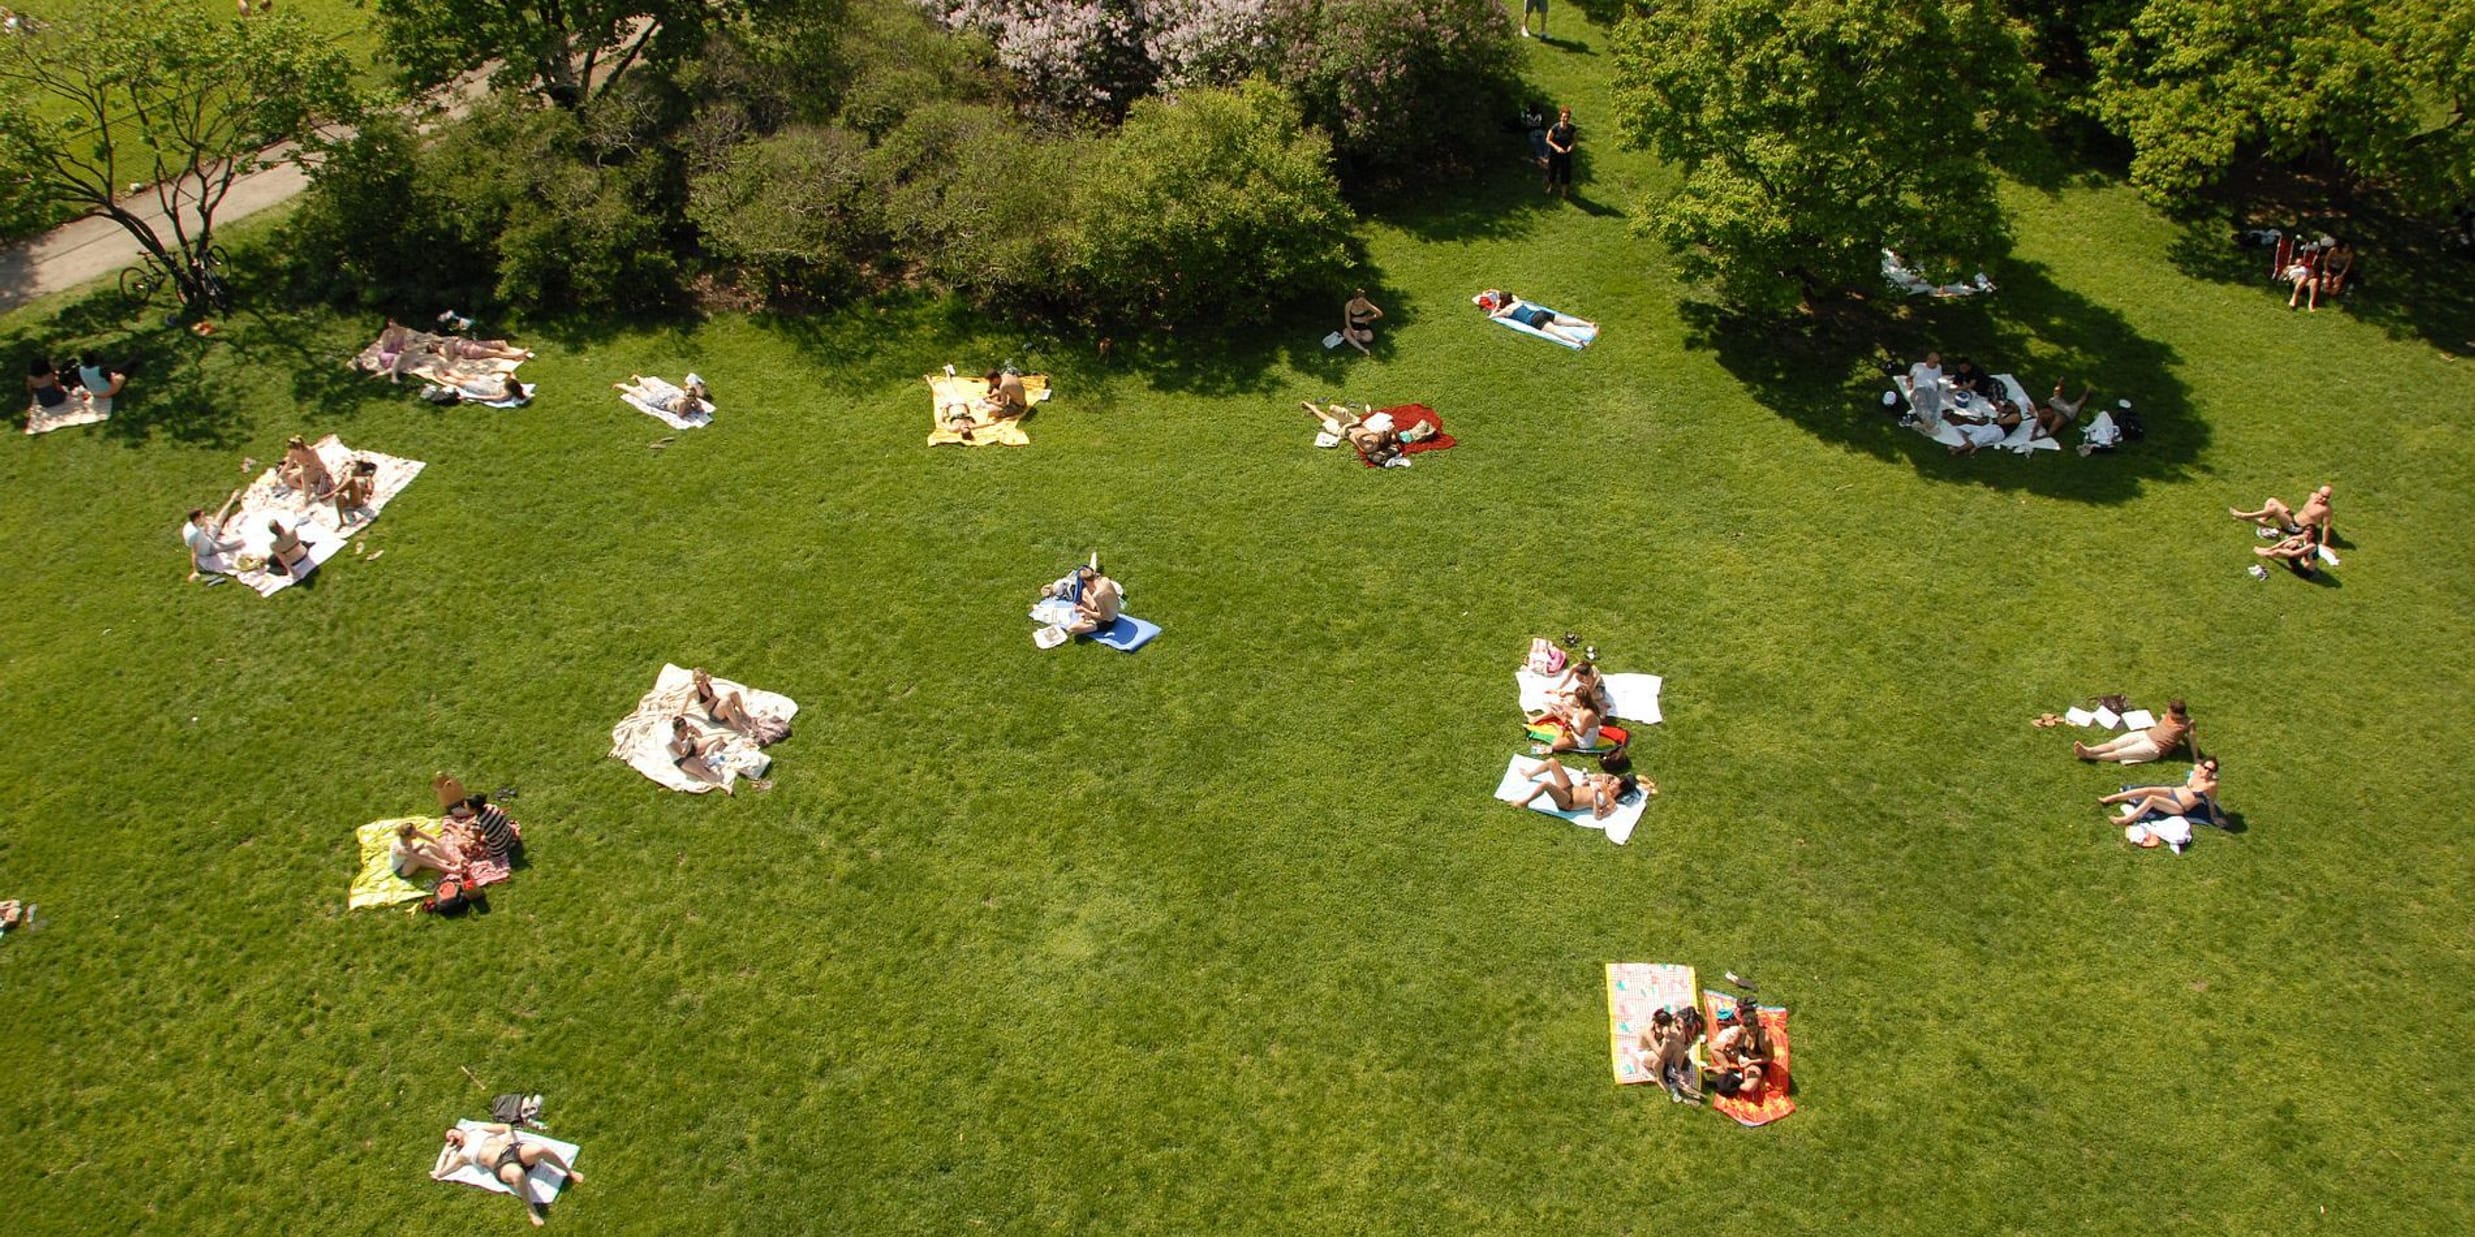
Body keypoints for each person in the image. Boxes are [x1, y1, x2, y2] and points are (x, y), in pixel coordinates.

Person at [432, 1122, 584, 1227]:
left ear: (460, 1130)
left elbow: (506, 1126)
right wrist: (446, 1152)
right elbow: (440, 1173)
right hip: (501, 1165)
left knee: (540, 1150)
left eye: (452, 1132)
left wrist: (508, 1134)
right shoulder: (463, 1154)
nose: (452, 1137)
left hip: (512, 1150)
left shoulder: (479, 1130)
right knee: (517, 1174)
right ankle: (531, 1210)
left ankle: (569, 1172)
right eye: (450, 1139)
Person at [1511, 756, 1637, 821]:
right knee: (1552, 761)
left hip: (1569, 802)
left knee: (1546, 784)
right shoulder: (1604, 784)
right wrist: (1589, 781)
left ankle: (1525, 803)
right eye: (1614, 780)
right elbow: (1586, 781)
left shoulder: (1611, 803)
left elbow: (1598, 817)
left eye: (1616, 783)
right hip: (1570, 789)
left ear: (1621, 789)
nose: (1613, 782)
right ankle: (1530, 774)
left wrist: (1594, 798)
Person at [2099, 757, 2220, 823]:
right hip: (2173, 791)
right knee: (2147, 790)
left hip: (2179, 805)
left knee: (2152, 799)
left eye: (2211, 770)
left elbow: (2211, 801)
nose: (2207, 771)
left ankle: (2127, 819)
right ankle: (2111, 798)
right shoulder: (2197, 770)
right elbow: (2196, 763)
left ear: (2214, 772)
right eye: (2206, 767)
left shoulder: (2211, 785)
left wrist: (2213, 816)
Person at [2075, 698, 2193, 764]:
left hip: (2155, 747)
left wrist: (2196, 756)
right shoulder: (2169, 714)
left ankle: (2089, 756)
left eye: (2170, 711)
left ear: (2178, 714)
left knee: (2121, 753)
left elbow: (2192, 740)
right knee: (2115, 744)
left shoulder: (2188, 723)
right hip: (2145, 734)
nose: (2168, 712)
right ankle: (2089, 749)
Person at [1483, 291, 1596, 347]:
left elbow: (1491, 316)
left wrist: (1497, 306)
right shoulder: (1517, 301)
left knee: (1558, 332)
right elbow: (1509, 295)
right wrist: (1494, 292)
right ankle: (1589, 325)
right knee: (1565, 321)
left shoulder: (1506, 310)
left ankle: (1579, 342)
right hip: (1540, 313)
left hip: (1535, 320)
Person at [2231, 485, 2333, 543]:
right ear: (2318, 492)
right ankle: (2262, 522)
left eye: (2327, 498)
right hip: (2292, 517)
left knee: (2274, 509)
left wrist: (2325, 543)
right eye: (2322, 496)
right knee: (2271, 500)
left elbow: (2326, 527)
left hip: (2297, 528)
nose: (2324, 499)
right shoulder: (2312, 496)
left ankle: (2244, 516)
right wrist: (2286, 511)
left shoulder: (2326, 510)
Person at [1642, 1006, 1703, 1103]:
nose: (1669, 1028)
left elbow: (1681, 1041)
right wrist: (1666, 1039)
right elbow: (1660, 1055)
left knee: (1680, 1047)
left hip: (1660, 1047)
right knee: (1658, 1060)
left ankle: (1677, 1070)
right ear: (1658, 1025)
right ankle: (1660, 1078)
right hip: (1646, 1053)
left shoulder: (1668, 1024)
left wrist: (1682, 1028)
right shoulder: (1648, 1032)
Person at [444, 793, 521, 863]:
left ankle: (453, 831)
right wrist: (469, 823)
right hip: (508, 835)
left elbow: (476, 839)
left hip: (498, 848)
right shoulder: (491, 807)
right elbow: (477, 817)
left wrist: (460, 829)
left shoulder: (477, 824)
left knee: (461, 844)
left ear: (474, 809)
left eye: (466, 806)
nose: (464, 807)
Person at [183, 498, 243, 580]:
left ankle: (232, 500)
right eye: (202, 516)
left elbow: (205, 530)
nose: (204, 517)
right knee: (240, 541)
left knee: (217, 521)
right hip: (210, 548)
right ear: (197, 518)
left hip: (207, 537)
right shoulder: (194, 534)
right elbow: (194, 553)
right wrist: (195, 571)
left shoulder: (191, 525)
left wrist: (205, 522)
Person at [614, 374, 712, 419]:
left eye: (692, 395)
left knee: (651, 387)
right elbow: (680, 415)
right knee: (640, 395)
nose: (691, 397)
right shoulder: (682, 402)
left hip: (669, 396)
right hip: (660, 401)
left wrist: (697, 404)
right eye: (690, 395)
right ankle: (624, 386)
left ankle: (638, 378)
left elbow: (699, 409)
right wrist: (691, 409)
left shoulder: (690, 399)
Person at [390, 819, 460, 879]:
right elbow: (424, 861)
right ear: (407, 837)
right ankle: (447, 865)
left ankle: (449, 861)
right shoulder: (402, 849)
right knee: (423, 855)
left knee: (427, 845)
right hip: (402, 869)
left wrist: (449, 856)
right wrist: (451, 870)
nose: (416, 834)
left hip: (409, 856)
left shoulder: (412, 833)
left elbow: (433, 839)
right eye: (414, 834)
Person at [1066, 565, 1123, 636]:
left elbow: (1103, 617)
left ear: (1085, 581)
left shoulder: (1097, 595)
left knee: (1071, 629)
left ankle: (1087, 620)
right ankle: (1086, 618)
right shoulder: (1105, 579)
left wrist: (1084, 610)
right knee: (1085, 592)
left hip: (1108, 621)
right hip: (1113, 609)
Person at [277, 435, 335, 501]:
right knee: (286, 478)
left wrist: (303, 471)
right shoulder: (293, 452)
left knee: (305, 476)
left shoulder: (310, 452)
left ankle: (307, 499)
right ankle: (305, 489)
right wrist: (278, 477)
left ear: (299, 448)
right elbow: (288, 465)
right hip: (305, 469)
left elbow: (313, 466)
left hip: (318, 471)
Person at [1906, 352, 1946, 429]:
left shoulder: (1938, 367)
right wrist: (1909, 383)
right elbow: (1909, 377)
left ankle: (1926, 425)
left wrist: (1937, 385)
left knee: (1933, 406)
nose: (1937, 364)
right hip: (1919, 389)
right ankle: (1928, 425)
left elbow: (1937, 378)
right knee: (1922, 404)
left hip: (1932, 390)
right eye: (1935, 362)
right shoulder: (1917, 366)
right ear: (1928, 360)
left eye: (1938, 362)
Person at [2257, 530, 2325, 576]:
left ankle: (2266, 554)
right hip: (2302, 562)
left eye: (2309, 534)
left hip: (2305, 572)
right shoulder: (2306, 538)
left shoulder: (2312, 545)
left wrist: (2279, 551)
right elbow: (2291, 539)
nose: (2306, 535)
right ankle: (2269, 552)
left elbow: (2293, 554)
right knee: (2292, 543)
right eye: (2305, 533)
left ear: (2313, 536)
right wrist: (2270, 548)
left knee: (2287, 552)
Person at [333, 459, 378, 527]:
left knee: (352, 481)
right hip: (346, 502)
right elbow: (339, 487)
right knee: (337, 495)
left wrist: (359, 488)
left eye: (353, 465)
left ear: (360, 467)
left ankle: (329, 495)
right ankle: (342, 521)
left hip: (357, 501)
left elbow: (370, 491)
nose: (351, 467)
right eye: (351, 465)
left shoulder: (366, 478)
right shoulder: (347, 477)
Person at [1544, 107, 1575, 200]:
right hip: (1555, 154)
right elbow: (1548, 140)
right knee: (1552, 170)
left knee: (1565, 172)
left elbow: (1574, 140)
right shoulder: (1555, 128)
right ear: (1560, 117)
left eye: (1567, 117)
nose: (1565, 119)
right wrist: (1557, 147)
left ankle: (1564, 192)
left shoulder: (1572, 129)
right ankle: (1550, 187)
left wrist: (1571, 147)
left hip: (1566, 154)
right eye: (1564, 117)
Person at [1342, 289, 1383, 357]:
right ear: (1355, 299)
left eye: (1362, 301)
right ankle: (1363, 349)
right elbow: (1347, 321)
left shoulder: (1366, 304)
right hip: (1352, 325)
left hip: (1363, 326)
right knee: (1345, 332)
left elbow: (1379, 313)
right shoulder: (1349, 304)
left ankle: (1354, 339)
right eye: (1358, 302)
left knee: (1369, 338)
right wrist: (1353, 331)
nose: (1360, 303)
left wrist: (1369, 318)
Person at [446, 336, 534, 362]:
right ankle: (517, 355)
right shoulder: (447, 344)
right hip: (469, 350)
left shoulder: (453, 338)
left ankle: (514, 356)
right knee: (495, 352)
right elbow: (450, 358)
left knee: (501, 342)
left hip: (473, 343)